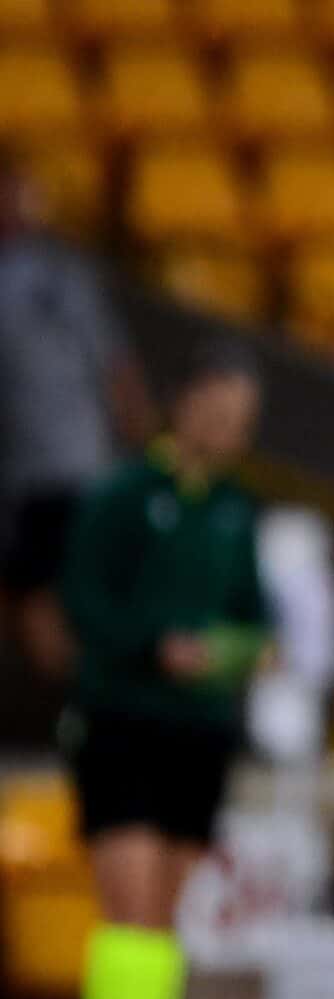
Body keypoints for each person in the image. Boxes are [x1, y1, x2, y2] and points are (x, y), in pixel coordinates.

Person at [59, 342, 268, 999]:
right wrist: (154, 647)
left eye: (240, 421)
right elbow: (82, 601)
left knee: (167, 913)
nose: (227, 432)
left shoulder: (235, 510)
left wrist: (250, 648)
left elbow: (254, 611)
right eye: (217, 413)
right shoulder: (120, 496)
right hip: (123, 721)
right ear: (182, 404)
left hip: (199, 729)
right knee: (132, 905)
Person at [0, 149, 151, 683]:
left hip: (57, 474)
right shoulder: (64, 273)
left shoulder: (63, 274)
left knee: (45, 598)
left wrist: (142, 446)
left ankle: (82, 698)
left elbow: (117, 369)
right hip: (51, 471)